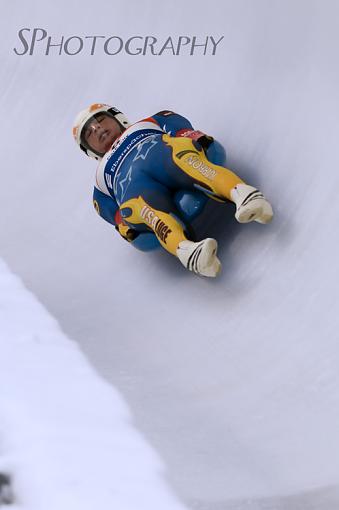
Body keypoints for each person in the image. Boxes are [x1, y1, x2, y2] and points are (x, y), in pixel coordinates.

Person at [72, 103, 273, 277]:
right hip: (135, 189)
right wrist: (125, 226)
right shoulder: (100, 184)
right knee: (137, 206)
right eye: (89, 133)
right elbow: (115, 216)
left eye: (100, 119)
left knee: (182, 156)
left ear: (117, 117)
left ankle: (244, 195)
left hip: (163, 155)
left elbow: (179, 128)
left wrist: (195, 138)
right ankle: (188, 251)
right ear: (90, 150)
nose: (97, 128)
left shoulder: (148, 123)